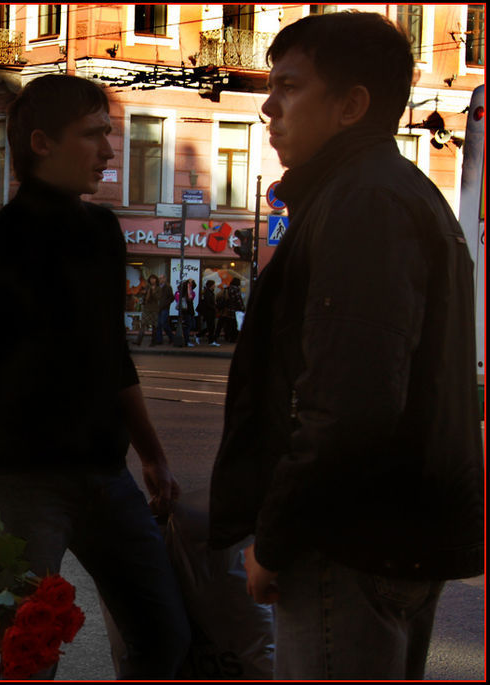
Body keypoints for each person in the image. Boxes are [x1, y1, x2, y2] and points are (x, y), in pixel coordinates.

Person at [208, 11, 483, 681]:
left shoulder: (359, 203)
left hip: (346, 544)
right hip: (396, 534)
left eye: (290, 87)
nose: (268, 106)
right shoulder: (396, 194)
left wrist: (274, 539)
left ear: (351, 105)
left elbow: (348, 404)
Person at [0, 73, 190, 679]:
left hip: (109, 477)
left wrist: (151, 455)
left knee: (165, 635)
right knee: (28, 654)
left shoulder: (102, 233)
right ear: (42, 143)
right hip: (26, 486)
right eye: (94, 135)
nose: (109, 150)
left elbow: (113, 357)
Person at [135, 275, 160, 346]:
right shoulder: (147, 287)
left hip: (154, 309)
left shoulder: (158, 288)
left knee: (154, 326)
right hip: (146, 308)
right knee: (143, 324)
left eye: (154, 279)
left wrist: (153, 291)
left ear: (156, 280)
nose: (152, 280)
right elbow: (141, 295)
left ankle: (153, 342)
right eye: (151, 279)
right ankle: (138, 341)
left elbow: (158, 298)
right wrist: (144, 293)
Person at [154, 276, 175, 346]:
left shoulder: (168, 287)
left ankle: (171, 337)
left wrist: (166, 303)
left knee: (164, 323)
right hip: (157, 308)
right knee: (158, 324)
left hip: (164, 308)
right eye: (159, 278)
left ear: (165, 279)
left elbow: (172, 297)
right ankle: (159, 340)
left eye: (162, 278)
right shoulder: (157, 287)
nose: (160, 279)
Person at [198, 279, 219, 346]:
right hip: (209, 312)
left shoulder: (209, 292)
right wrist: (214, 307)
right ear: (211, 285)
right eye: (213, 285)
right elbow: (208, 303)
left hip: (210, 311)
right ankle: (210, 341)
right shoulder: (207, 292)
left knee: (211, 327)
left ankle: (199, 335)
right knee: (211, 326)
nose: (214, 286)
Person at [224, 277, 245, 343]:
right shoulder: (236, 289)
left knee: (230, 324)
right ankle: (234, 338)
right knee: (235, 325)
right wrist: (242, 307)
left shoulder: (228, 288)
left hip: (229, 309)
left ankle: (229, 337)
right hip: (236, 309)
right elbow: (238, 299)